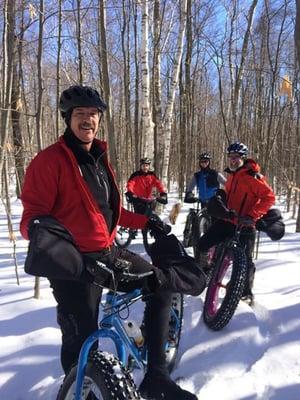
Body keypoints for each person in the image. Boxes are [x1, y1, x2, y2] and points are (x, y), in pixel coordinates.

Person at [20, 85, 201, 400]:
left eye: (93, 114)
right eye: (80, 114)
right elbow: (32, 218)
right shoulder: (49, 161)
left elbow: (107, 214)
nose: (88, 120)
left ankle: (157, 376)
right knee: (81, 336)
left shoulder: (99, 158)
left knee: (161, 283)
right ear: (67, 118)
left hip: (107, 252)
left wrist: (146, 221)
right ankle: (81, 389)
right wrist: (46, 236)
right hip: (71, 263)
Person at [197, 141, 275, 303]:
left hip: (245, 224)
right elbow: (227, 193)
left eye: (236, 157)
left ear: (243, 158)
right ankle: (205, 270)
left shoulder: (252, 177)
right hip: (228, 220)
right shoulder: (232, 176)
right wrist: (220, 199)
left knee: (245, 260)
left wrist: (253, 215)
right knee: (204, 243)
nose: (232, 160)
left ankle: (245, 292)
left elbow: (269, 197)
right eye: (230, 157)